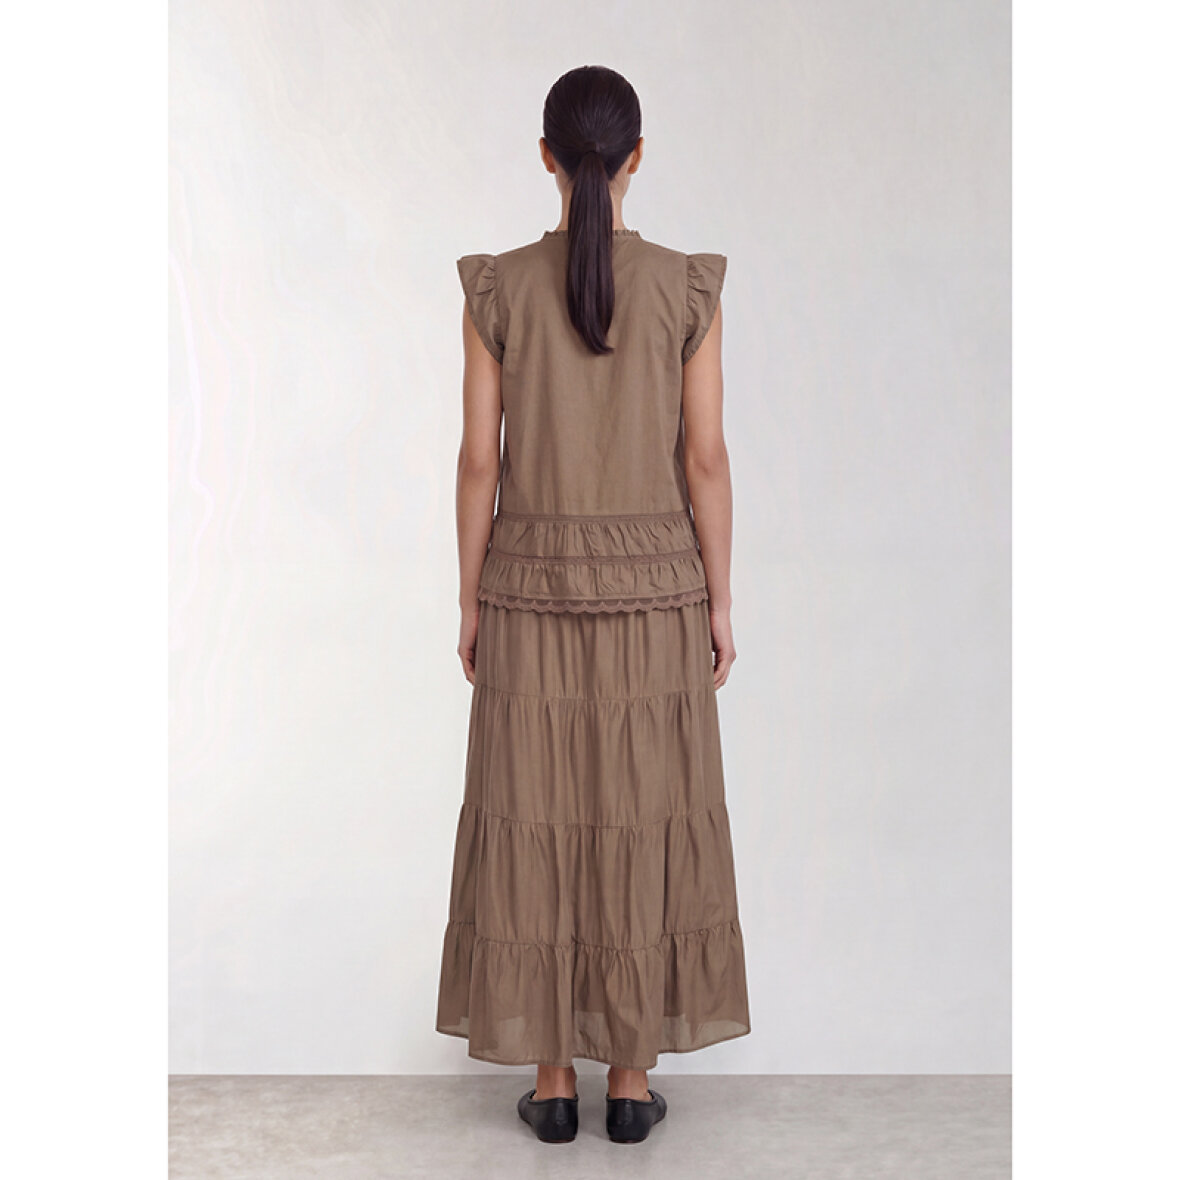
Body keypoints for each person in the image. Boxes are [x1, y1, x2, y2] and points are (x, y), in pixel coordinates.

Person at [435, 64, 751, 1146]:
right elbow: (704, 459)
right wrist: (719, 599)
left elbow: (480, 460)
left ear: (546, 158)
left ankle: (552, 1080)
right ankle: (629, 1080)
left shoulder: (497, 290)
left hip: (527, 589)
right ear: (635, 159)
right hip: (658, 592)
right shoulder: (685, 289)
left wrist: (469, 596)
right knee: (638, 816)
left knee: (539, 813)